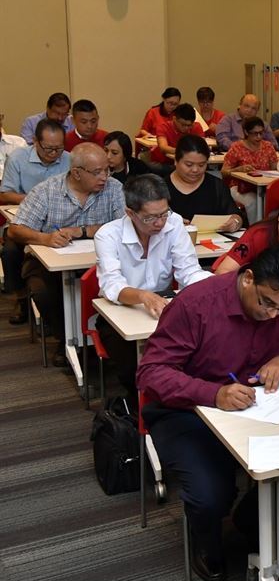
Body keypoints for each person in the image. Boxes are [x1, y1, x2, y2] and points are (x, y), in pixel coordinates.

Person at [137, 245, 279, 581]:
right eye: (267, 303)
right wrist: (213, 394)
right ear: (248, 278)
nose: (273, 315)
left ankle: (252, 520)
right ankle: (206, 542)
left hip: (265, 406)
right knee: (211, 494)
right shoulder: (196, 304)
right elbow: (151, 373)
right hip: (189, 410)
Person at [9, 143, 125, 365]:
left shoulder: (113, 188)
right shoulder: (46, 191)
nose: (104, 177)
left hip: (98, 260)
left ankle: (103, 340)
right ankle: (66, 341)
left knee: (113, 283)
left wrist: (83, 231)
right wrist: (45, 238)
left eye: (107, 170)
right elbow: (15, 230)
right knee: (44, 291)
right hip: (48, 260)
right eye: (97, 172)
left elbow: (124, 226)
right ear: (76, 173)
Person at [94, 175, 210, 397]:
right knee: (133, 367)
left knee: (195, 354)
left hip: (162, 307)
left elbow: (188, 271)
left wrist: (216, 285)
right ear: (130, 213)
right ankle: (137, 407)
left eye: (163, 214)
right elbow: (112, 284)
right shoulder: (108, 235)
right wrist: (143, 296)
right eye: (150, 218)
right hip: (120, 311)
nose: (159, 223)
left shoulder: (173, 223)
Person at [0, 120, 72, 325]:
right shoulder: (18, 158)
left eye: (59, 148)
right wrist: (37, 200)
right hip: (24, 220)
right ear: (35, 142)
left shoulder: (69, 160)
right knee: (10, 251)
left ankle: (60, 310)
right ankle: (21, 299)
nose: (54, 153)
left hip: (60, 221)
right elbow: (5, 194)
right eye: (48, 148)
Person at [165, 136, 242, 233]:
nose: (195, 170)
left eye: (201, 165)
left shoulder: (216, 186)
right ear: (176, 161)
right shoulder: (160, 187)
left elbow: (235, 214)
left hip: (213, 240)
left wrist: (235, 222)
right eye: (189, 165)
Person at [221, 117, 279, 223]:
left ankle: (270, 226)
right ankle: (255, 228)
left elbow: (275, 167)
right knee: (253, 201)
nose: (259, 137)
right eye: (255, 133)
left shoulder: (268, 146)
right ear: (246, 132)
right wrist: (238, 169)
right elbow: (224, 172)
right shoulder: (237, 147)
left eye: (261, 133)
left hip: (263, 187)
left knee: (275, 199)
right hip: (240, 187)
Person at [151, 103, 206, 167]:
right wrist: (185, 152)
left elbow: (202, 147)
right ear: (174, 119)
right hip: (164, 163)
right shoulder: (163, 127)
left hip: (188, 163)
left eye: (189, 125)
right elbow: (163, 147)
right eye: (183, 124)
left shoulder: (196, 127)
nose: (186, 128)